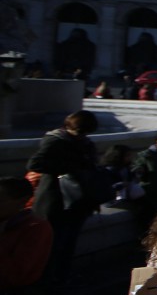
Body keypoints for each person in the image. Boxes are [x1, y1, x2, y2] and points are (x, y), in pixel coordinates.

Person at [26, 109, 102, 283]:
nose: (82, 135)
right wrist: (68, 169)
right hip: (56, 199)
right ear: (69, 126)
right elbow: (35, 163)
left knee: (68, 242)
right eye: (79, 132)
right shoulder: (55, 141)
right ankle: (45, 279)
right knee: (52, 243)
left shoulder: (86, 143)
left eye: (85, 132)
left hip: (78, 201)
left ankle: (61, 275)